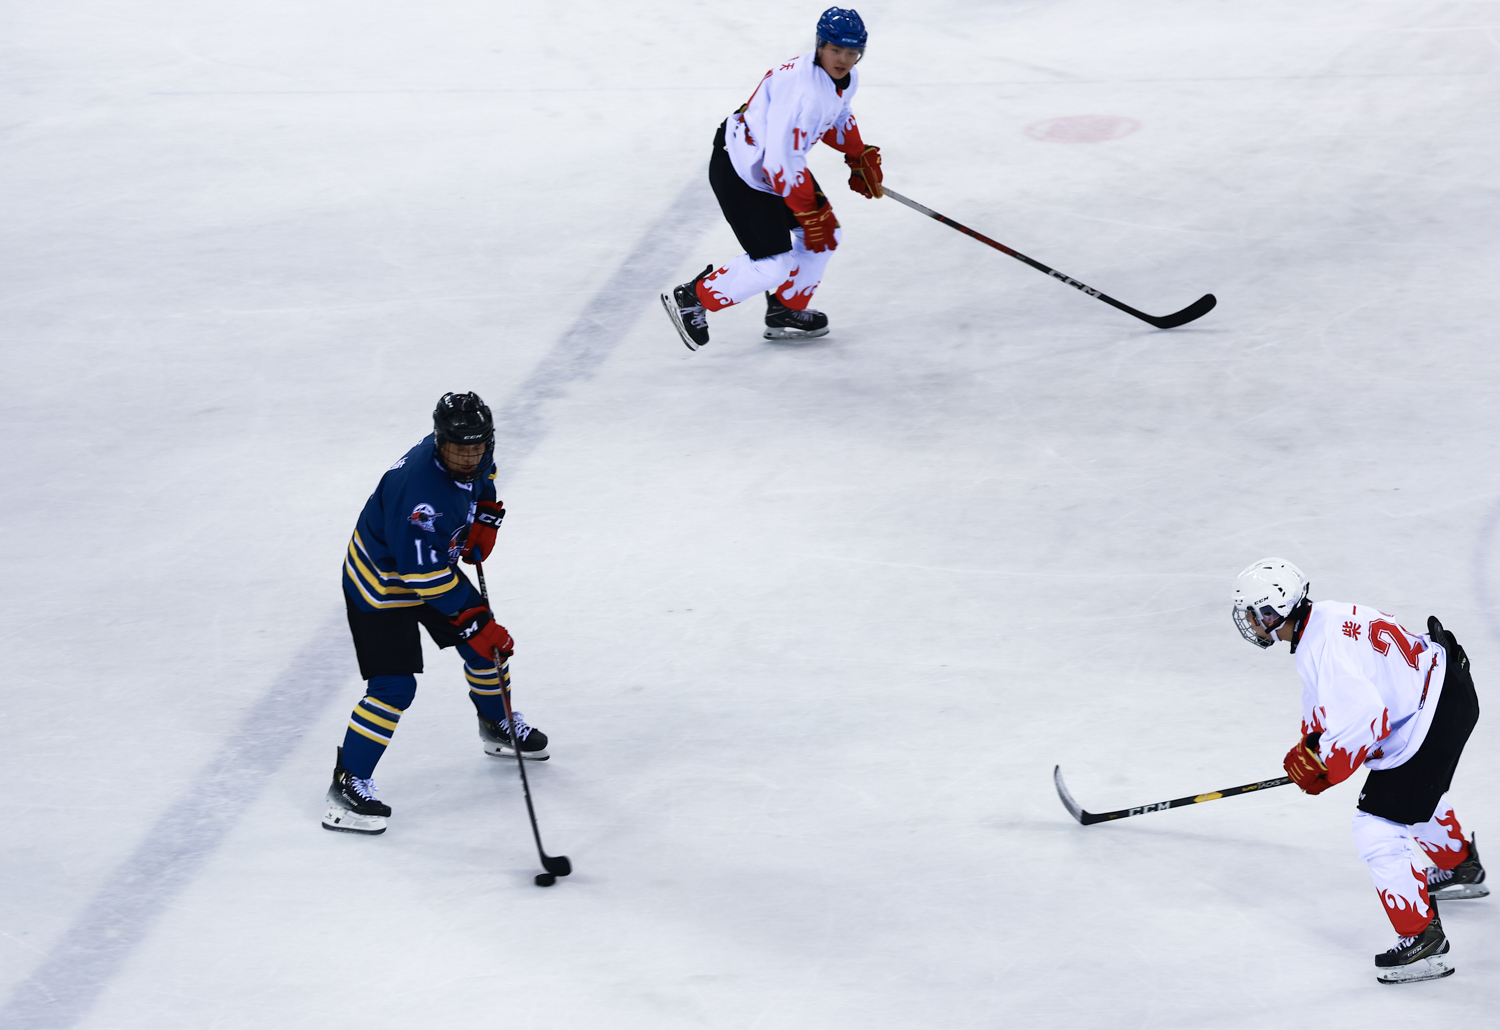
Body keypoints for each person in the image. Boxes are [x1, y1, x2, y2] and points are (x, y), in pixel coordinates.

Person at [1233, 558, 1486, 984]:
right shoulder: (1325, 618)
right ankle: (1461, 867)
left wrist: (1327, 766)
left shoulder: (1320, 646)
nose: (1249, 621)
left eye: (1253, 613)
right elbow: (1332, 699)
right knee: (1411, 791)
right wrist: (1313, 744)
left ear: (1273, 613)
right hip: (1448, 691)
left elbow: (1366, 719)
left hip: (1432, 717)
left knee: (1376, 825)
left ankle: (1424, 943)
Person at [323, 392, 550, 835]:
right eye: (458, 449)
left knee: (485, 652)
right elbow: (420, 578)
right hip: (382, 583)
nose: (468, 458)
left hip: (429, 566)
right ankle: (346, 787)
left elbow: (484, 476)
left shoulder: (473, 453)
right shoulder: (420, 494)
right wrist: (476, 622)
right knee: (394, 687)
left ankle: (496, 723)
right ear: (439, 441)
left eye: (476, 448)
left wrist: (486, 515)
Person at [661, 7, 885, 350]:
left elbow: (837, 114)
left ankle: (785, 309)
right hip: (740, 168)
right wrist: (807, 210)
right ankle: (694, 297)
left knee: (824, 238)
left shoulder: (844, 79)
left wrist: (857, 154)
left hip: (777, 167)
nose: (843, 59)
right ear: (820, 45)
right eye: (836, 49)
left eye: (852, 52)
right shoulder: (801, 90)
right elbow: (780, 160)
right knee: (773, 266)